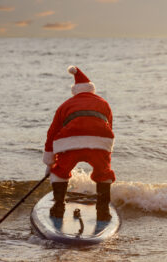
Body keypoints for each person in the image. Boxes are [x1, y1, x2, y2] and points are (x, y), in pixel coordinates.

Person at [42, 65, 115, 221]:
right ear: (91, 90)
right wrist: (106, 153)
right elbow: (109, 127)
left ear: (75, 91)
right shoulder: (104, 103)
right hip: (100, 143)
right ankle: (103, 211)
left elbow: (52, 133)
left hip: (70, 144)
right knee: (104, 173)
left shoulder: (65, 105)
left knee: (60, 172)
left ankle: (58, 207)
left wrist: (50, 163)